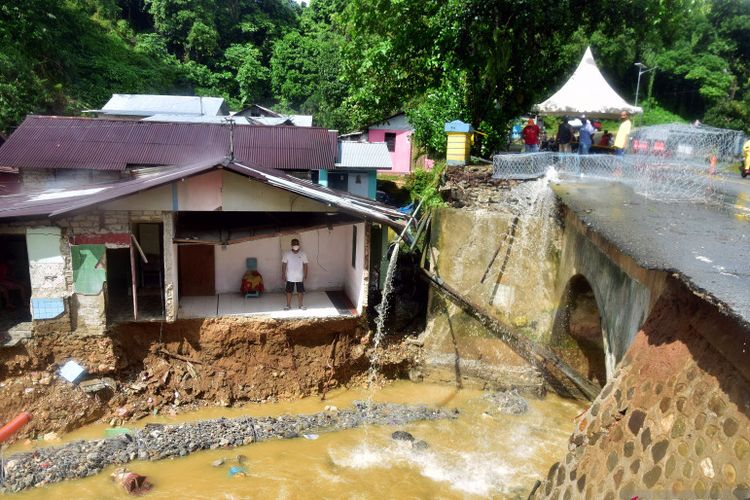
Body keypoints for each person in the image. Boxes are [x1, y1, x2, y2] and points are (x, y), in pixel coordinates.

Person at [281, 238, 309, 310]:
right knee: (289, 291)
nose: (295, 245)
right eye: (294, 244)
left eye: (297, 244)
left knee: (300, 291)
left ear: (299, 245)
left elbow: (305, 264)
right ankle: (288, 305)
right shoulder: (287, 254)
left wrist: (305, 274)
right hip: (290, 277)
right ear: (291, 245)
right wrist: (283, 274)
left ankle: (301, 305)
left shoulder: (303, 254)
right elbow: (284, 264)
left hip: (299, 277)